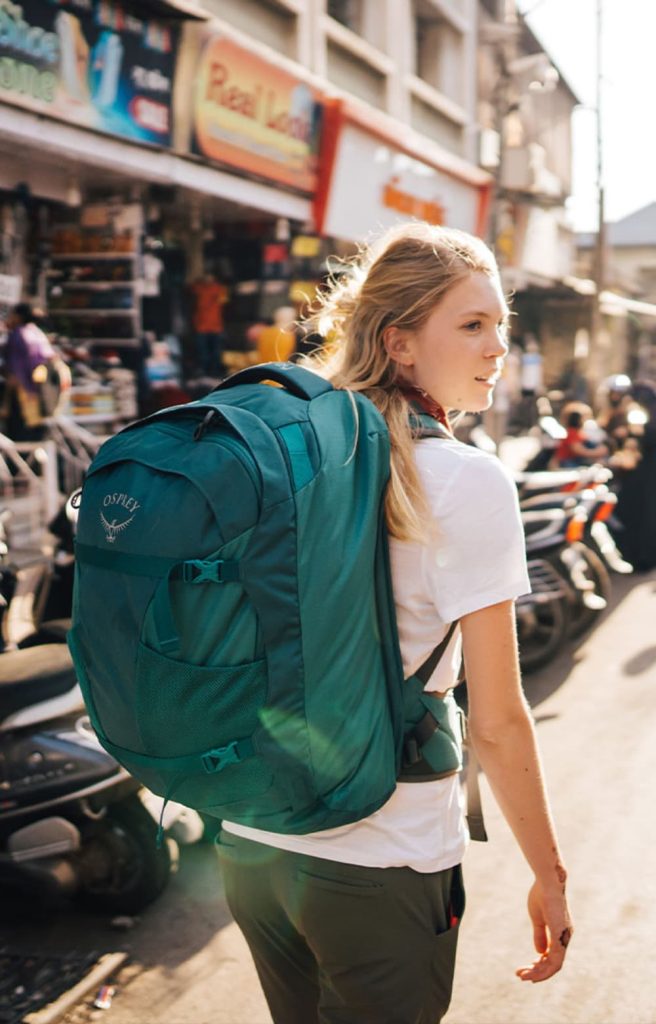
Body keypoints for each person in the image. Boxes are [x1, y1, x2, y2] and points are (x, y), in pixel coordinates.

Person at [216, 223, 573, 1024]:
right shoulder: (465, 480)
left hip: (252, 837)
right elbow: (500, 723)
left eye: (501, 327)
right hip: (380, 855)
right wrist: (549, 874)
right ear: (400, 342)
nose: (498, 348)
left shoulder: (286, 446)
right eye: (472, 325)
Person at [2, 303, 67, 440]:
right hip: (40, 393)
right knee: (35, 432)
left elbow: (15, 370)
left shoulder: (17, 335)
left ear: (18, 316)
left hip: (22, 394)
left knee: (19, 434)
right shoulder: (37, 333)